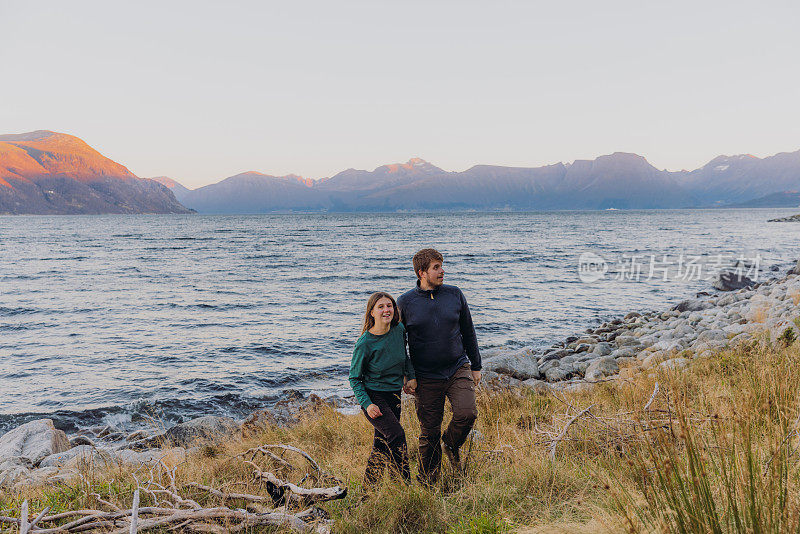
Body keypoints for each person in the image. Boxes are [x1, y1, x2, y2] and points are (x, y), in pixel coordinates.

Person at [397, 248, 481, 484]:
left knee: (467, 413)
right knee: (429, 432)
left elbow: (468, 330)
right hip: (425, 377)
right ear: (422, 272)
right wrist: (408, 375)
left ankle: (451, 444)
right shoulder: (405, 302)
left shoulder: (455, 294)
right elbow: (399, 343)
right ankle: (428, 482)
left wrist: (476, 366)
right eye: (436, 267)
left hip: (457, 367)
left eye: (441, 265)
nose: (442, 271)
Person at [349, 291, 417, 486]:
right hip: (373, 396)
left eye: (390, 306)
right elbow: (354, 379)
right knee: (396, 435)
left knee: (381, 446)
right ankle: (404, 486)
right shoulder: (365, 343)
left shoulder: (399, 330)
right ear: (371, 312)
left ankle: (367, 494)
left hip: (394, 395)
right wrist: (367, 404)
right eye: (381, 307)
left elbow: (404, 356)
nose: (386, 310)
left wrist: (410, 376)